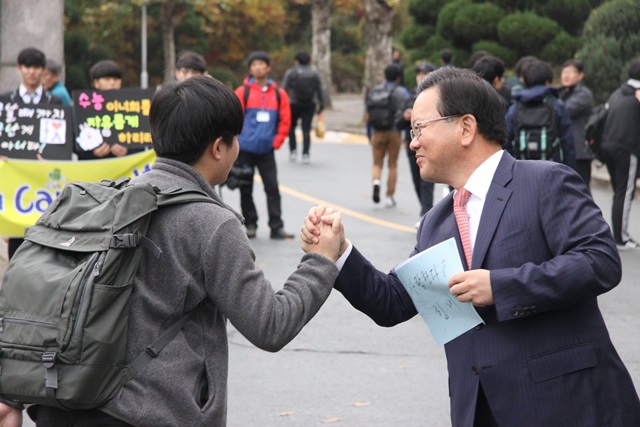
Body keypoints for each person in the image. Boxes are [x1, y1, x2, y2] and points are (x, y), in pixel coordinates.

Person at [302, 67, 640, 427]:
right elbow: (394, 302)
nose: (412, 141)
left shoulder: (544, 181)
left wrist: (500, 286)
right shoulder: (437, 220)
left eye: (420, 128)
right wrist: (338, 252)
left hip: (565, 405)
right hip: (478, 410)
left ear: (466, 127)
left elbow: (599, 261)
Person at [0, 75, 344, 427]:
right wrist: (320, 260)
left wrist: (11, 394)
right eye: (234, 138)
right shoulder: (212, 223)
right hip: (148, 413)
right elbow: (270, 324)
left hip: (65, 404)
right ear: (218, 148)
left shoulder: (108, 200)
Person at [0, 47, 62, 261]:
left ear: (43, 70)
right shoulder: (5, 102)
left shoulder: (55, 103)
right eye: (27, 67)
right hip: (14, 183)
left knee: (46, 243)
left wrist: (54, 157)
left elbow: (62, 144)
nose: (32, 72)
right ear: (19, 69)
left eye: (36, 67)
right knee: (17, 249)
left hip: (44, 181)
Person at [233, 51, 294, 239]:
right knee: (245, 188)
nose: (258, 67)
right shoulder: (242, 92)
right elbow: (233, 118)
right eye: (254, 64)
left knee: (273, 188)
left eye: (261, 64)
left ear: (268, 67)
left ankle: (276, 226)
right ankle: (250, 224)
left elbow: (286, 119)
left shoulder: (279, 93)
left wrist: (276, 142)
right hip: (244, 150)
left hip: (267, 150)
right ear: (250, 69)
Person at [506, 59, 576, 169]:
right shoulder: (557, 106)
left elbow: (507, 143)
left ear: (524, 80)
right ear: (547, 81)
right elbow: (568, 144)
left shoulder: (515, 108)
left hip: (521, 172)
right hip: (552, 171)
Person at [600, 59, 640, 250]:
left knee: (619, 192)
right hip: (627, 146)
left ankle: (617, 233)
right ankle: (621, 237)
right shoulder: (637, 94)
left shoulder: (618, 92)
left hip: (608, 145)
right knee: (625, 193)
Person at [397, 62, 436, 225]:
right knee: (417, 180)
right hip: (412, 145)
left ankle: (426, 215)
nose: (421, 76)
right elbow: (397, 123)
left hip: (431, 144)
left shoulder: (438, 96)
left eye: (425, 73)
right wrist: (405, 116)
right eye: (419, 73)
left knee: (427, 181)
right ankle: (426, 213)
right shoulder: (411, 96)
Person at [366, 64, 408, 207]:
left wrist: (369, 133)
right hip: (394, 131)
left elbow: (367, 114)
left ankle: (376, 181)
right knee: (393, 164)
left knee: (377, 163)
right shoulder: (401, 92)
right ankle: (389, 196)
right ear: (398, 77)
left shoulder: (375, 91)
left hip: (377, 131)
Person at [282, 51, 324, 163]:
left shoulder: (291, 72)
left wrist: (282, 104)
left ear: (296, 61)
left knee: (291, 128)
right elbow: (319, 90)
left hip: (293, 103)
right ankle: (305, 153)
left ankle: (293, 151)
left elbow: (284, 89)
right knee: (306, 129)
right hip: (309, 104)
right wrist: (321, 105)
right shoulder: (314, 73)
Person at [559, 59, 594, 187]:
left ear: (580, 75)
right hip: (564, 150)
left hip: (579, 152)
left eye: (571, 72)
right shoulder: (561, 93)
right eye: (564, 72)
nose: (567, 75)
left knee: (581, 190)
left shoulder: (584, 95)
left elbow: (563, 110)